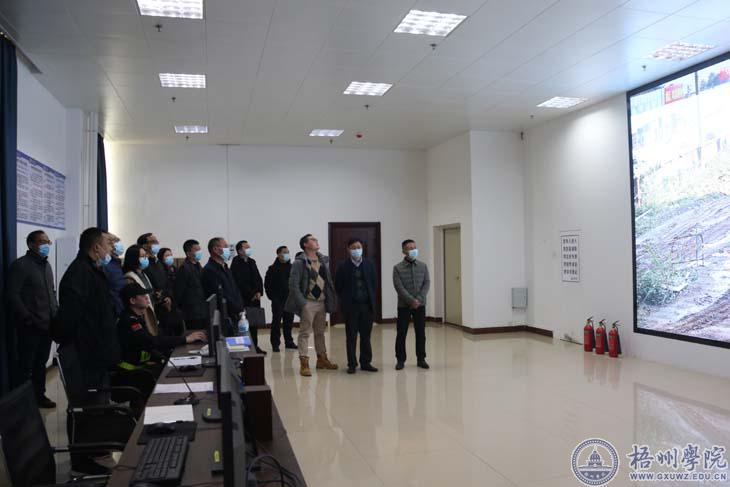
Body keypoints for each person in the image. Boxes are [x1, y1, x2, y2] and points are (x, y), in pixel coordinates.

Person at [54, 227, 120, 475]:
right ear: (96, 247)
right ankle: (81, 461)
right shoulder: (79, 273)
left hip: (95, 352)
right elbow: (68, 319)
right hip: (83, 354)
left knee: (96, 406)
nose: (111, 248)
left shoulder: (93, 269)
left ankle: (95, 451)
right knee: (83, 407)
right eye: (108, 244)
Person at [113, 283, 206, 416]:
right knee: (163, 380)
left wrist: (164, 357)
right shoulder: (129, 321)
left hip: (140, 368)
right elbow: (152, 342)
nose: (147, 297)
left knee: (170, 371)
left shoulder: (137, 318)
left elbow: (155, 341)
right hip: (128, 374)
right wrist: (185, 339)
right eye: (142, 295)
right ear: (132, 301)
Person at [6, 230, 59, 408]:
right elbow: (12, 295)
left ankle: (39, 397)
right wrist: (27, 317)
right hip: (30, 327)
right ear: (31, 244)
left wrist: (55, 312)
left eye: (47, 242)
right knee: (25, 367)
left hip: (47, 325)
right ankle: (22, 404)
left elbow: (51, 292)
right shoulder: (20, 265)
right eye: (42, 242)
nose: (46, 245)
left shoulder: (47, 266)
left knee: (40, 364)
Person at [285, 234, 338, 376]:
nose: (316, 241)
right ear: (305, 244)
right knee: (305, 333)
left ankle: (322, 359)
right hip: (308, 302)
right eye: (313, 240)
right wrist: (302, 303)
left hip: (322, 302)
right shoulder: (299, 263)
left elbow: (328, 281)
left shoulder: (323, 260)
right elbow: (293, 285)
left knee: (320, 332)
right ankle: (304, 363)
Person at [335, 238, 378, 374]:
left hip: (366, 306)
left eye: (359, 247)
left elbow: (374, 283)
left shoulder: (369, 264)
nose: (357, 250)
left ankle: (366, 362)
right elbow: (338, 286)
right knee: (351, 336)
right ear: (348, 250)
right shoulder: (342, 266)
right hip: (351, 307)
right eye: (353, 248)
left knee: (366, 336)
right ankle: (352, 364)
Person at [393, 239, 430, 370]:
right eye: (409, 248)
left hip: (420, 305)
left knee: (420, 333)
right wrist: (411, 300)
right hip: (404, 305)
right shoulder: (397, 268)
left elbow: (426, 283)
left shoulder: (423, 266)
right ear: (404, 251)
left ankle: (421, 359)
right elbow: (399, 287)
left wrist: (418, 299)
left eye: (414, 247)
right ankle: (400, 360)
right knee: (401, 333)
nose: (413, 250)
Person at [231, 240, 266, 354]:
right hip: (244, 299)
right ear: (240, 251)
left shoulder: (252, 261)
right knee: (244, 325)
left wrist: (259, 291)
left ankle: (255, 346)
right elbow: (239, 282)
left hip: (255, 298)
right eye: (246, 247)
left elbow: (258, 278)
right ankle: (246, 347)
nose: (249, 249)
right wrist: (252, 294)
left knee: (254, 324)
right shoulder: (236, 263)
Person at [201, 237, 244, 329]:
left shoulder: (225, 267)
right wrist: (236, 308)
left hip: (235, 313)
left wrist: (240, 306)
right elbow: (219, 294)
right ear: (215, 249)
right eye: (225, 246)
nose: (228, 249)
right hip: (223, 315)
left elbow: (235, 288)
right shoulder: (209, 270)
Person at [264, 246, 297, 352]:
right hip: (277, 299)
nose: (287, 254)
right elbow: (267, 285)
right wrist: (272, 297)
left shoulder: (292, 268)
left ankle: (289, 342)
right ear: (278, 254)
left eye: (288, 252)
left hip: (290, 299)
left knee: (289, 321)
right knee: (276, 322)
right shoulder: (272, 269)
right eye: (284, 252)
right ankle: (275, 344)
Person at [122, 245, 159, 336]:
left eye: (146, 255)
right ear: (134, 258)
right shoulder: (129, 277)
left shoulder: (143, 274)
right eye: (142, 256)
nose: (146, 258)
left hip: (151, 311)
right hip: (142, 315)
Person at [174, 239, 208, 330]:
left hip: (202, 310)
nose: (199, 252)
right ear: (188, 253)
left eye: (199, 249)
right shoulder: (184, 268)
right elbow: (178, 291)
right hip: (192, 313)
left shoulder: (198, 265)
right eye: (196, 250)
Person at [155, 247, 185, 336]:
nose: (170, 257)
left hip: (176, 303)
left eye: (171, 255)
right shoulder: (160, 271)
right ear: (161, 258)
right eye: (167, 255)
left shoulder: (174, 269)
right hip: (167, 303)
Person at [104, 233, 126, 316]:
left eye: (118, 240)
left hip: (121, 306)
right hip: (114, 309)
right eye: (115, 241)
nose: (119, 243)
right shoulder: (105, 264)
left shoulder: (118, 263)